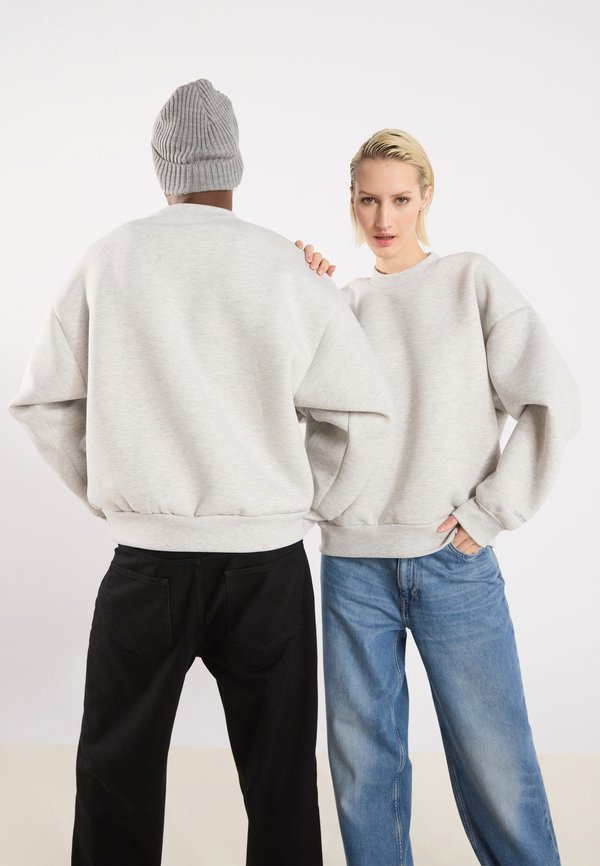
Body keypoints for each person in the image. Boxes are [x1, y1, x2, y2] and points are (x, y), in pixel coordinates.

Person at [7, 80, 392, 866]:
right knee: (281, 781)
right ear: (235, 165)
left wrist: (118, 495)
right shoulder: (283, 267)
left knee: (116, 772)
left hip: (147, 564)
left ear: (162, 167)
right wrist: (303, 501)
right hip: (267, 566)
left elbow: (44, 401)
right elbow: (359, 412)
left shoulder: (111, 258)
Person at [294, 128, 581, 866]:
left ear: (426, 198)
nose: (383, 217)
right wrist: (300, 300)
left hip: (454, 562)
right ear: (351, 202)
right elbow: (288, 412)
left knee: (497, 764)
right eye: (368, 200)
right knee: (363, 771)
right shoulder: (340, 305)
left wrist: (491, 512)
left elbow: (553, 398)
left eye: (399, 199)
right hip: (353, 567)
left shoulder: (469, 281)